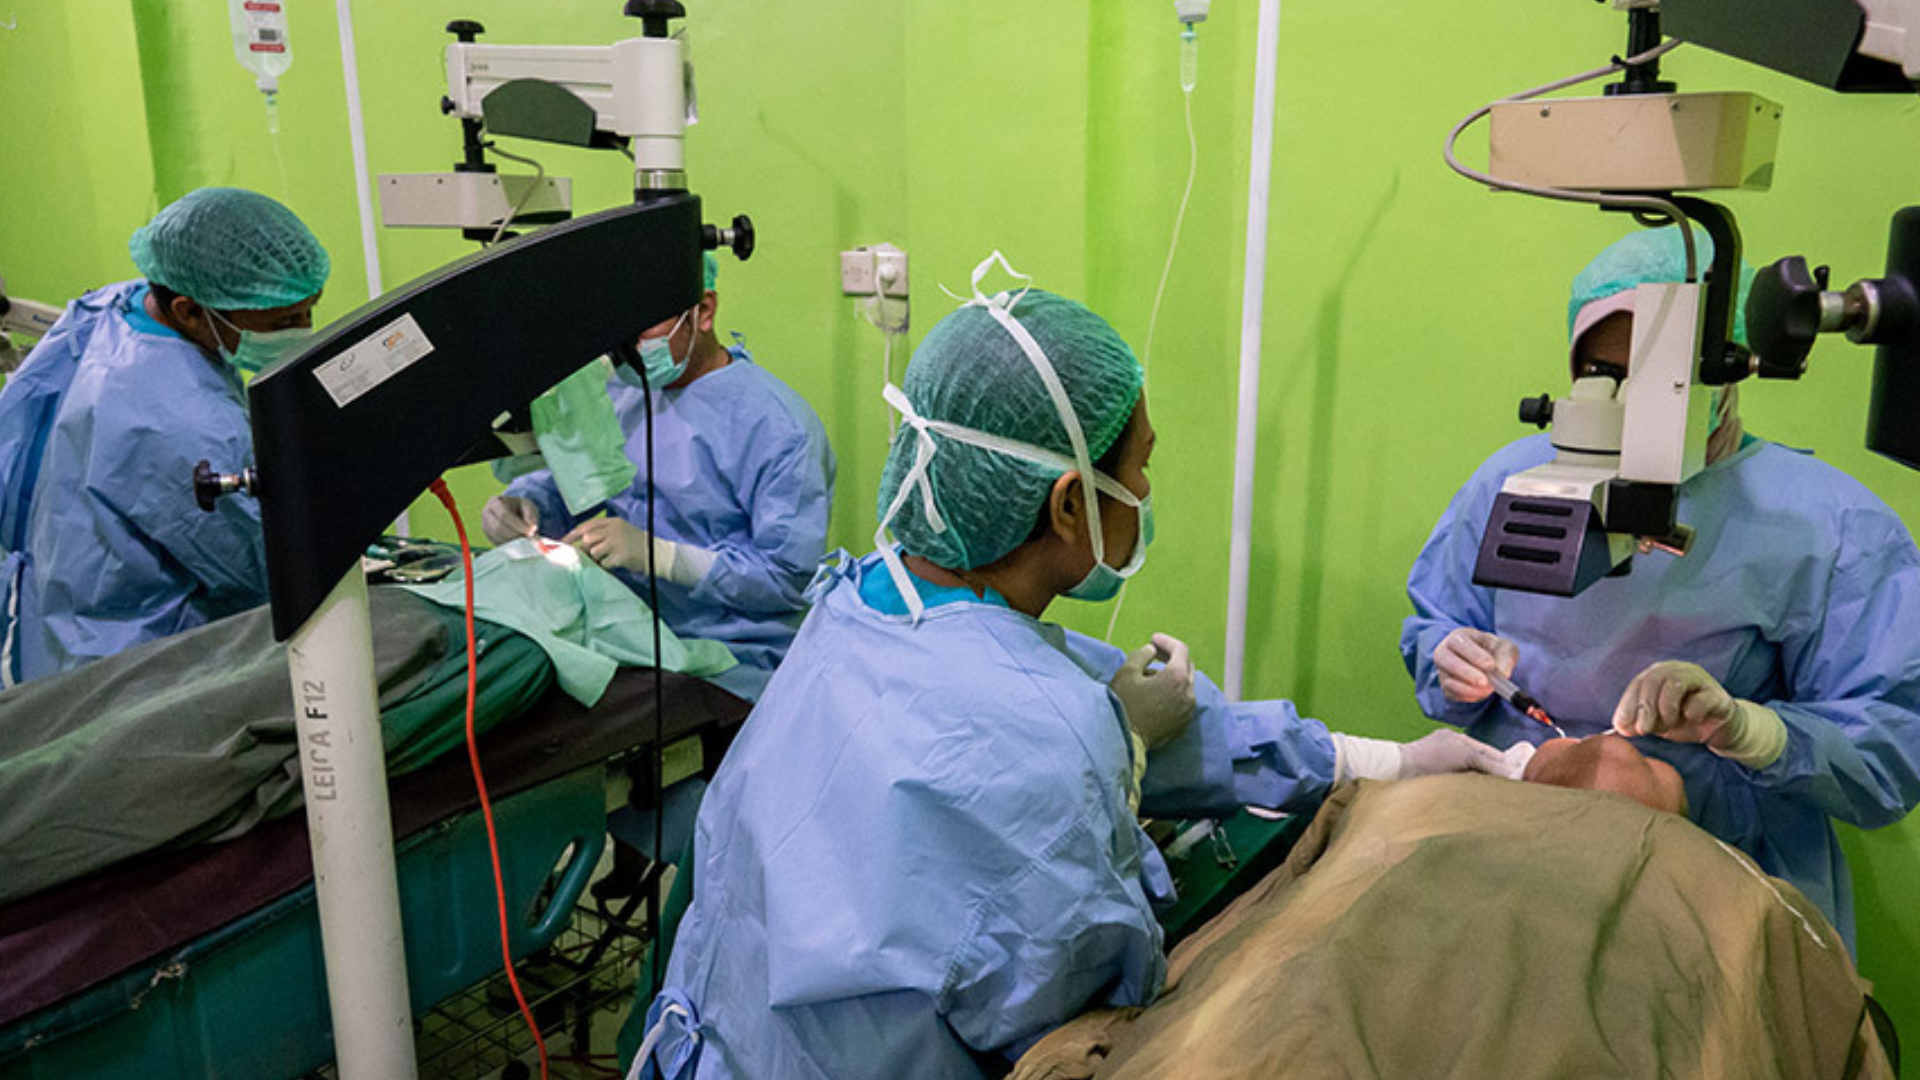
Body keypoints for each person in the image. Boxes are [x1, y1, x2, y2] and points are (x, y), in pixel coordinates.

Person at [631, 256, 1515, 1080]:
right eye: (1140, 468)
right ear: (1068, 504)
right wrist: (1113, 767)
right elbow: (1082, 1020)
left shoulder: (865, 601)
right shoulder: (1050, 744)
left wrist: (1382, 761)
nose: (1145, 494)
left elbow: (1055, 705)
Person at [1401, 225, 1920, 948]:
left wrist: (1755, 731)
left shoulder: (1833, 526)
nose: (1625, 405)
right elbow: (1435, 623)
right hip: (1512, 831)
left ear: (1726, 368)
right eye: (1604, 377)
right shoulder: (1511, 482)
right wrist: (1447, 658)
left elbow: (1889, 751)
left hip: (1713, 864)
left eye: (1655, 381)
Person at [0, 187, 328, 686]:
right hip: (133, 668)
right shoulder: (189, 426)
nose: (303, 331)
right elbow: (266, 576)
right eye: (283, 322)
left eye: (309, 311)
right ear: (190, 310)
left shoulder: (117, 306)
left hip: (47, 621)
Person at [483, 254, 835, 703]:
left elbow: (786, 579)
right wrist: (525, 504)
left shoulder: (777, 428)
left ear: (704, 312)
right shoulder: (615, 391)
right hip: (613, 626)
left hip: (729, 655)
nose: (629, 345)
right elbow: (580, 480)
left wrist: (663, 557)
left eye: (645, 326)